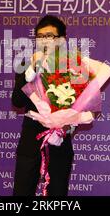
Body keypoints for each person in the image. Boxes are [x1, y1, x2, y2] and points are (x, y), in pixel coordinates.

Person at [11, 15, 75, 196]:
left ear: (62, 40)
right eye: (40, 36)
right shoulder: (25, 65)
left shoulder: (72, 68)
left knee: (57, 194)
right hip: (31, 140)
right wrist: (32, 68)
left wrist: (68, 125)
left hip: (59, 141)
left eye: (50, 36)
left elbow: (81, 105)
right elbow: (17, 101)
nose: (44, 40)